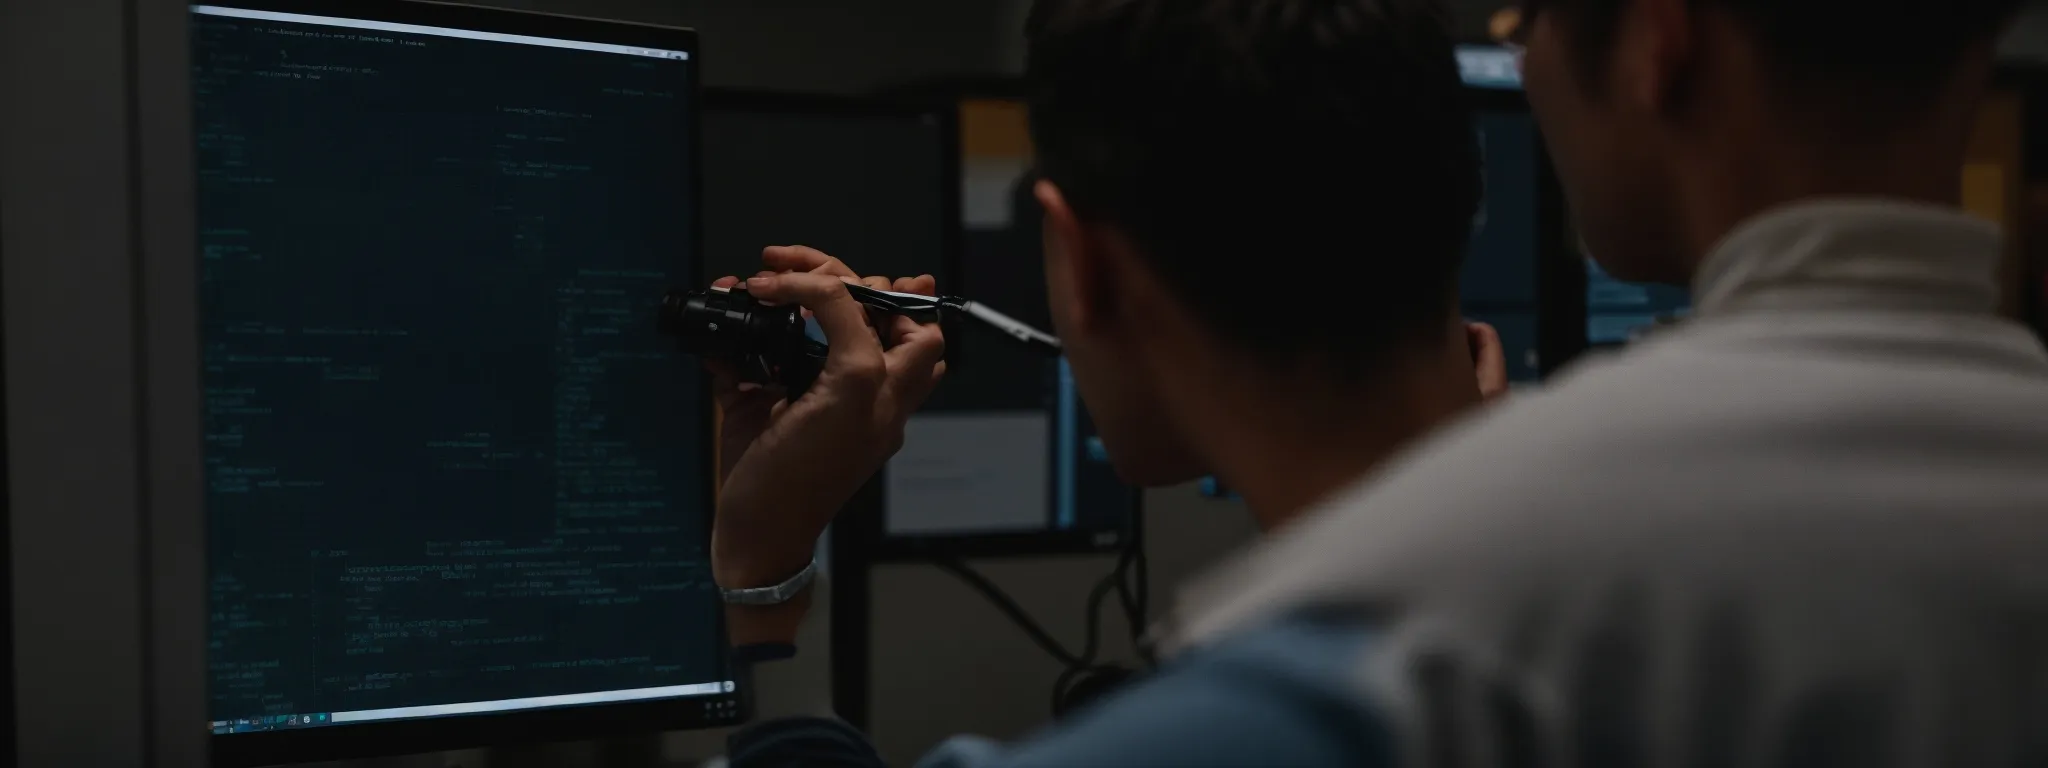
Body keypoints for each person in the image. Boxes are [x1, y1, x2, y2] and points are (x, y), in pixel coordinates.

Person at [725, 0, 2048, 765]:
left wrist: (760, 572)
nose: (1521, 53)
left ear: (1660, 44)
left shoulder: (1411, 659)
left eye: (1530, 17)